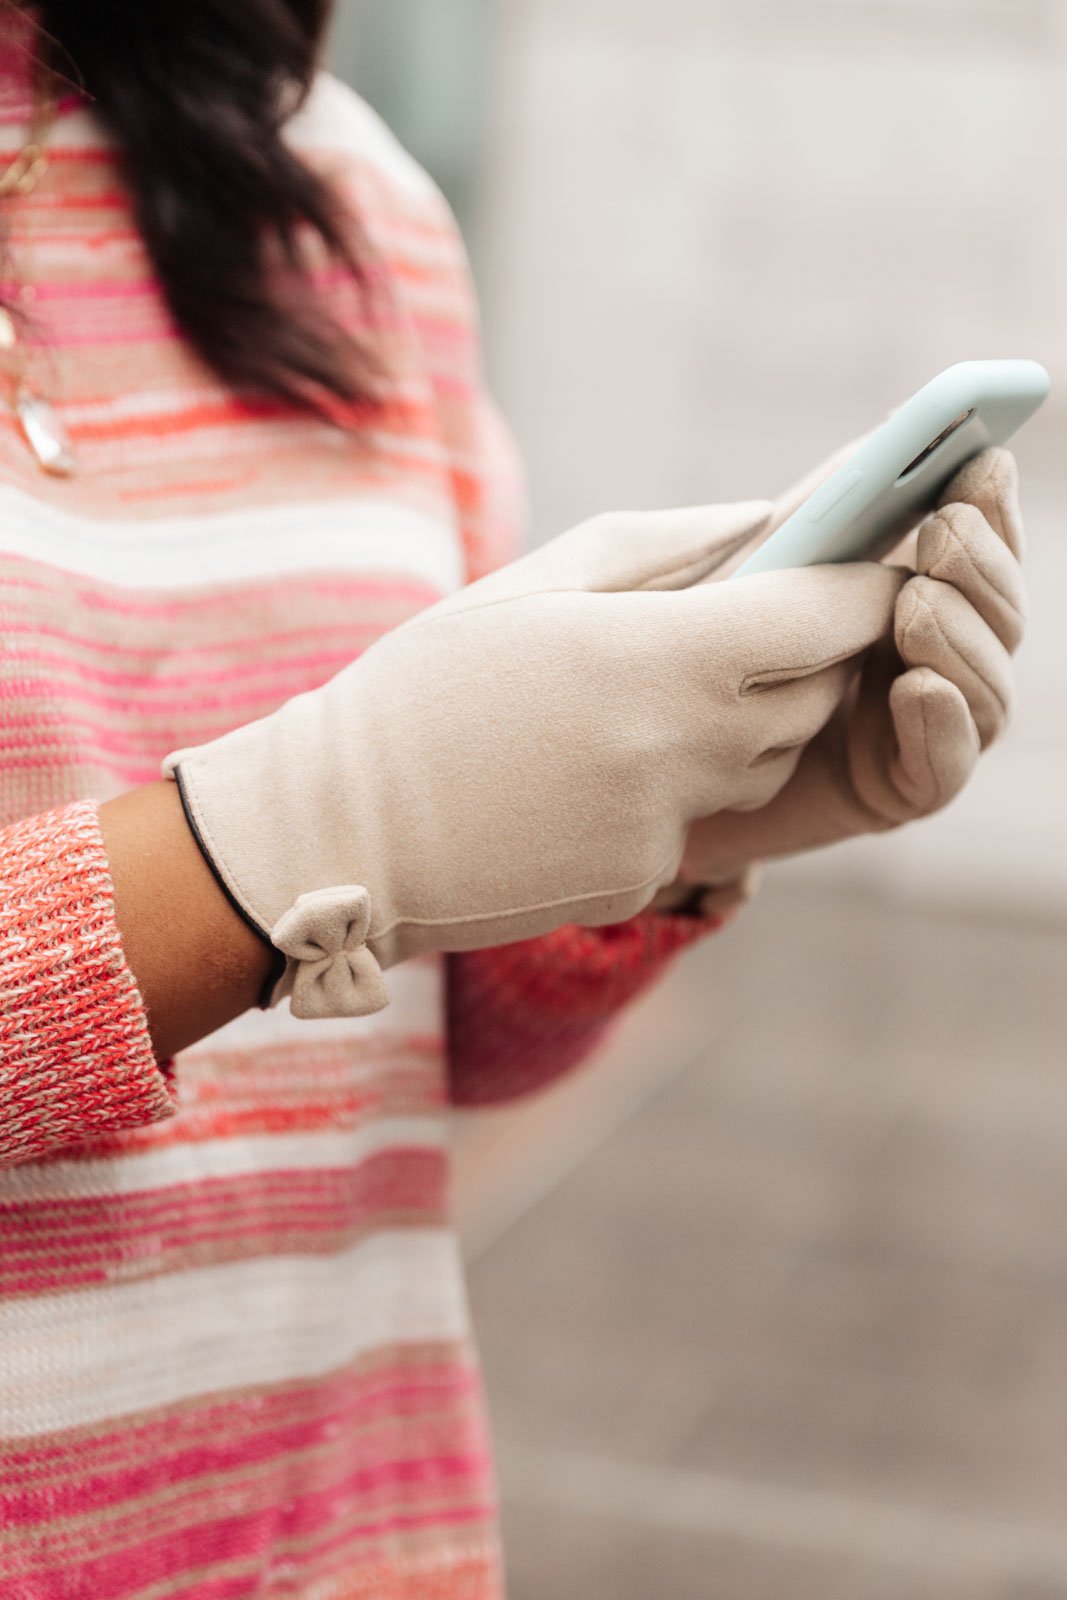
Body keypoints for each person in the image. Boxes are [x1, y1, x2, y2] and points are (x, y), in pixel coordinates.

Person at [0, 3, 1025, 1595]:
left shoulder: (341, 196)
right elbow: (326, 847)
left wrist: (672, 840)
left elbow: (425, 1058)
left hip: (346, 1535)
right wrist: (294, 838)